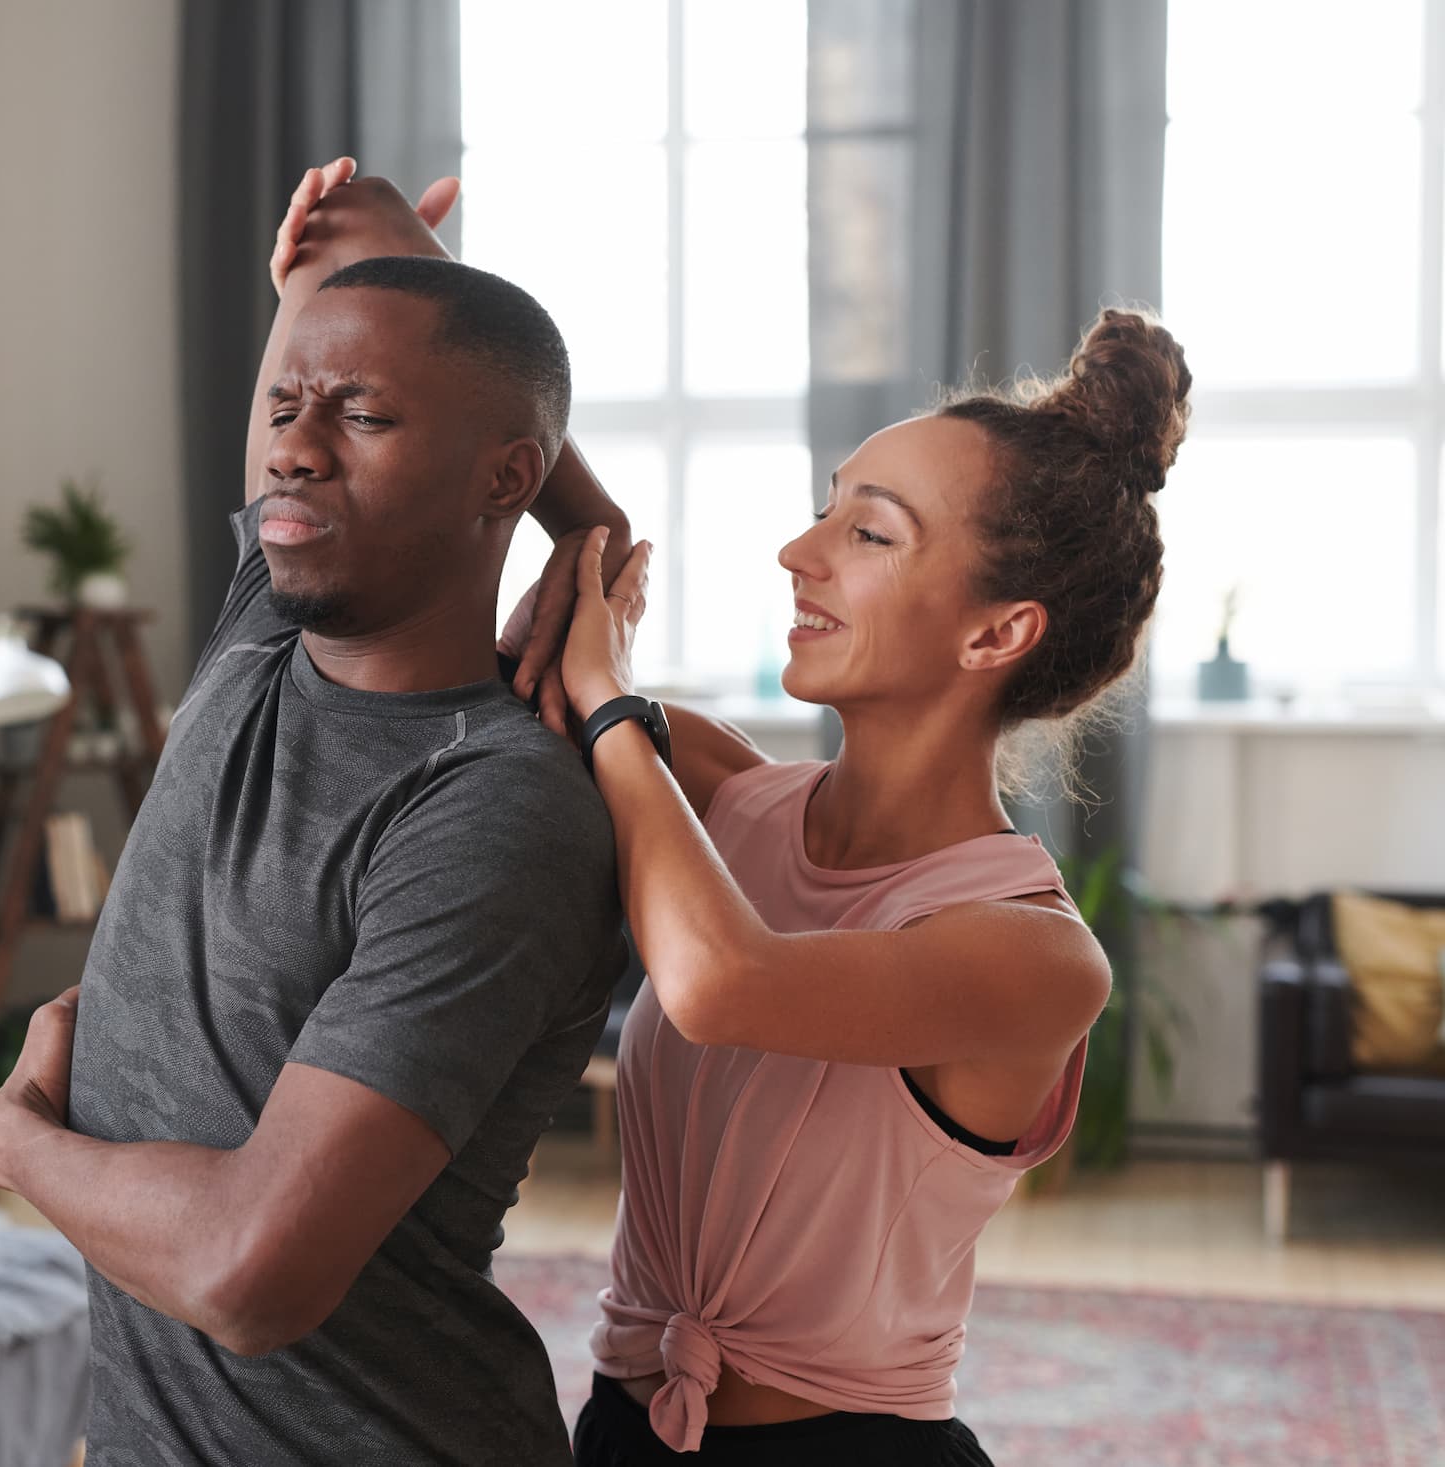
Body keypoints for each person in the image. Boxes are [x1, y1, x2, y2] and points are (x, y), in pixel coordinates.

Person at [277, 164, 1187, 1465]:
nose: (799, 554)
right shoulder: (710, 787)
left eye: (870, 536)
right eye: (825, 510)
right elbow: (503, 624)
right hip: (623, 1429)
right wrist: (421, 299)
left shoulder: (1035, 956)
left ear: (999, 630)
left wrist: (609, 707)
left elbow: (719, 982)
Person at [0, 162, 638, 1466]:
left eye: (362, 415)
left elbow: (246, 1271)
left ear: (505, 478)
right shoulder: (260, 635)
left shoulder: (493, 806)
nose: (295, 439)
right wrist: (589, 520)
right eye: (285, 403)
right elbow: (330, 316)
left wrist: (17, 1145)